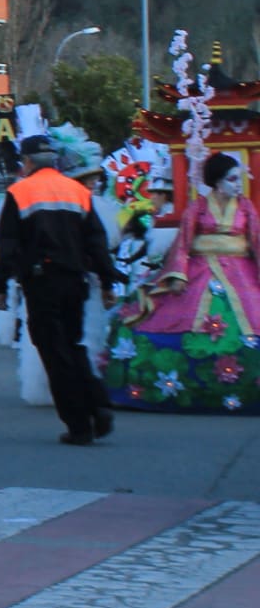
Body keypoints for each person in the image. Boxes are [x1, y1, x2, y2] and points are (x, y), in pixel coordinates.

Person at [107, 151, 260, 414]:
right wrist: (178, 274)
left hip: (240, 272)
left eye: (239, 179)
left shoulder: (246, 207)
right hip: (201, 270)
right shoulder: (197, 208)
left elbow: (256, 241)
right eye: (232, 179)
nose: (238, 185)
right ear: (217, 181)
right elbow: (182, 245)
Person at [0, 122, 117, 445]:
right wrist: (107, 281)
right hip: (76, 281)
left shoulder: (19, 192)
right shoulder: (77, 190)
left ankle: (79, 425)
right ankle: (98, 404)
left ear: (29, 162)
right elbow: (97, 241)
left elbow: (7, 244)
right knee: (75, 346)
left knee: (54, 352)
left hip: (41, 282)